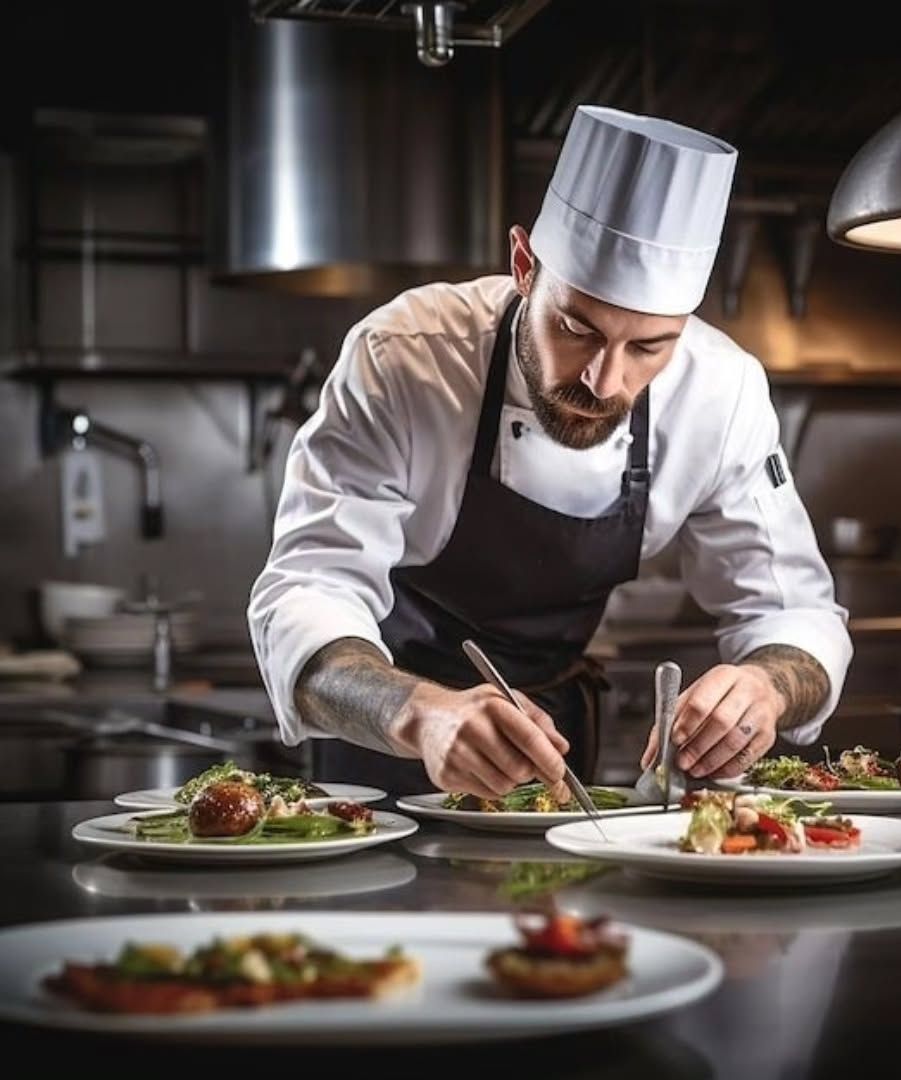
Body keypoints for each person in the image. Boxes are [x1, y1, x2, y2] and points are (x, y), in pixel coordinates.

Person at [248, 105, 852, 799]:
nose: (604, 381)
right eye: (576, 329)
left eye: (648, 347)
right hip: (391, 744)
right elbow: (307, 591)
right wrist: (417, 713)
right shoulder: (405, 358)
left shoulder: (722, 390)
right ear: (524, 265)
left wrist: (764, 688)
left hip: (555, 751)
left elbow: (792, 612)